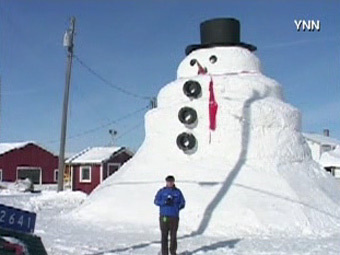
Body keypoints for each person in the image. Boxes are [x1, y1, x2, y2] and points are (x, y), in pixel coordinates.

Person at [154, 175, 185, 255]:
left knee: (173, 235)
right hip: (164, 216)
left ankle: (173, 251)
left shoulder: (177, 192)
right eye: (168, 182)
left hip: (174, 217)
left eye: (171, 182)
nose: (170, 183)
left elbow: (182, 203)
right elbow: (156, 201)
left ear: (173, 182)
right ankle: (164, 252)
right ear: (166, 182)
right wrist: (164, 202)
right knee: (164, 235)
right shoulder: (162, 191)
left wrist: (176, 206)